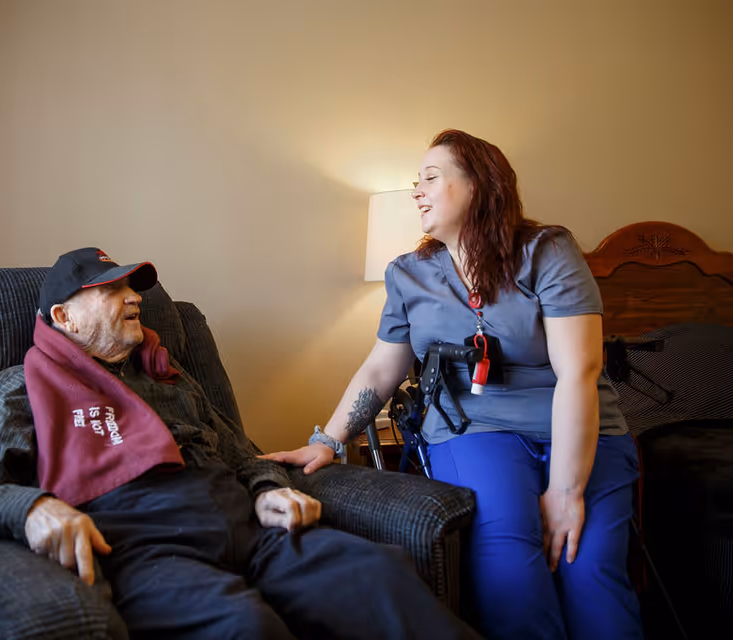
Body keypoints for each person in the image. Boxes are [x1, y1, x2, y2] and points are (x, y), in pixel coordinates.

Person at [0, 247, 480, 640]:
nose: (134, 298)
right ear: (64, 318)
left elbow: (239, 453)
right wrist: (29, 507)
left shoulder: (168, 376)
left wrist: (265, 489)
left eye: (133, 287)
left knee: (378, 573)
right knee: (243, 629)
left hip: (251, 532)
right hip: (148, 552)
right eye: (111, 289)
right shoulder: (24, 388)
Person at [263, 130, 645, 639]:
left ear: (479, 185)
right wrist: (329, 440)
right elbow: (382, 369)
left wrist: (566, 491)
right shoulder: (408, 274)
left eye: (430, 178)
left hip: (576, 424)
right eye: (414, 182)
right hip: (475, 428)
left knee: (589, 569)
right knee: (510, 563)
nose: (416, 191)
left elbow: (580, 372)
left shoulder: (546, 250)